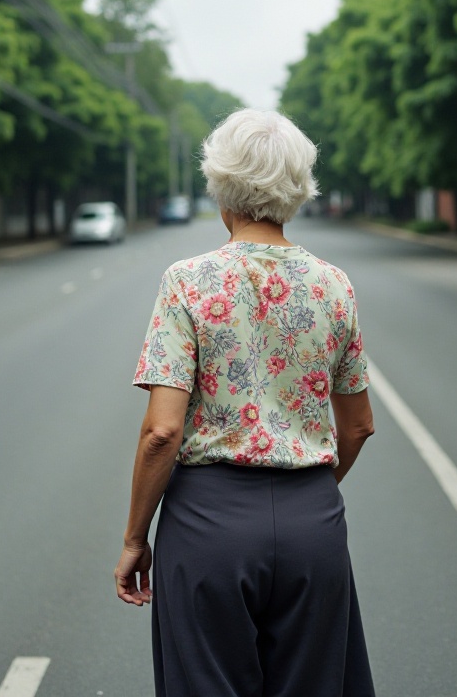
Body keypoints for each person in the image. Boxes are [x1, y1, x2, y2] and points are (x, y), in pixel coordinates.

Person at [114, 108, 377, 697]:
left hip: (208, 528)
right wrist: (307, 491)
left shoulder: (188, 281)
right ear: (299, 189)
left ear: (221, 187)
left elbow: (162, 431)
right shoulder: (334, 284)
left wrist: (136, 538)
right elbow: (357, 427)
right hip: (315, 524)